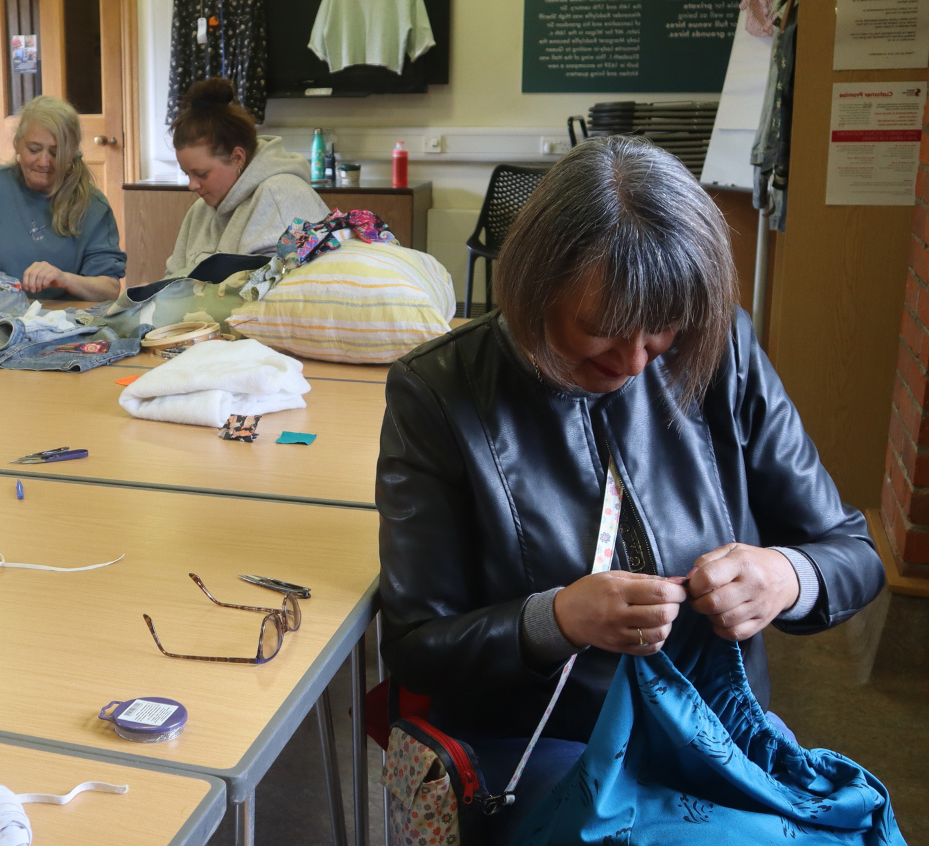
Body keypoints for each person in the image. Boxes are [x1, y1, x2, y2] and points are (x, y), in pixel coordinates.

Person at [375, 136, 884, 840]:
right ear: (533, 286)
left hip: (713, 735)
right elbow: (414, 644)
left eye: (661, 334)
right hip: (541, 745)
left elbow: (853, 552)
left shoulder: (722, 350)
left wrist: (785, 575)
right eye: (601, 334)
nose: (634, 363)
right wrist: (557, 619)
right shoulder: (440, 393)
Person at [0, 95, 125, 301]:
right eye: (34, 150)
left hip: (63, 322)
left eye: (56, 153)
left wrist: (64, 279)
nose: (43, 162)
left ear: (73, 154)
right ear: (17, 144)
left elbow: (109, 289)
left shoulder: (93, 206)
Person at [162, 78, 329, 279]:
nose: (192, 185)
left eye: (202, 174)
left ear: (237, 158)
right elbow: (171, 282)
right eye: (186, 174)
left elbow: (285, 294)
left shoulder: (281, 194)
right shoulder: (199, 211)